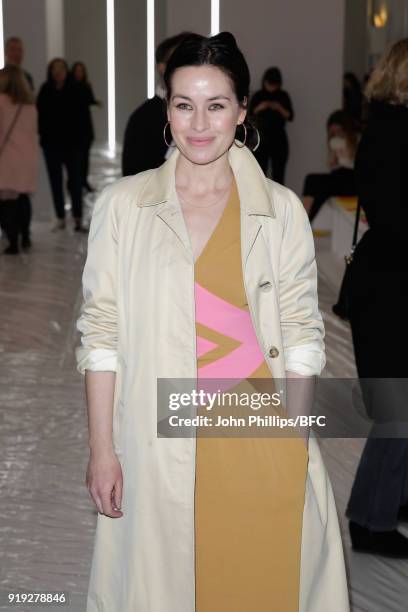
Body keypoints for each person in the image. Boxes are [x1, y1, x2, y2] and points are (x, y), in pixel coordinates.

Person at [76, 32, 349, 612]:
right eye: (184, 104)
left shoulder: (280, 212)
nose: (199, 123)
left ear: (243, 111)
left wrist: (295, 439)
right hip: (157, 451)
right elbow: (101, 335)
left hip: (259, 444)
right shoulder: (124, 208)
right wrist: (103, 449)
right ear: (165, 107)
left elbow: (302, 332)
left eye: (217, 104)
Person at [345, 39, 408, 558]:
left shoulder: (381, 127)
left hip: (383, 281)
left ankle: (390, 501)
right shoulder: (395, 132)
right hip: (391, 286)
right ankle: (370, 520)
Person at [121, 32, 192, 176]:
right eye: (182, 59)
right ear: (162, 68)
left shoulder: (215, 113)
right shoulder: (143, 118)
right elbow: (134, 183)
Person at [37, 58, 87, 232]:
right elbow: (40, 117)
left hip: (72, 145)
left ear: (67, 71)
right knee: (55, 181)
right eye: (54, 69)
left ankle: (77, 217)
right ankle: (60, 217)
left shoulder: (76, 89)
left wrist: (81, 142)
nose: (58, 72)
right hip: (51, 145)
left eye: (61, 68)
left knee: (75, 181)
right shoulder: (45, 90)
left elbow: (81, 117)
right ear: (50, 72)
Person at [0, 65, 38, 254]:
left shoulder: (1, 101)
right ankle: (26, 236)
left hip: (8, 158)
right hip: (27, 158)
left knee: (7, 202)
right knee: (23, 198)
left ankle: (13, 241)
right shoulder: (30, 104)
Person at [302, 110, 359, 223]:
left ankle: (304, 223)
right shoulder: (334, 143)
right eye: (332, 133)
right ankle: (305, 220)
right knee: (315, 183)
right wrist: (334, 157)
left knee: (315, 182)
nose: (335, 136)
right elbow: (333, 166)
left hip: (353, 179)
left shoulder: (356, 141)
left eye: (339, 132)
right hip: (340, 177)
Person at [249, 66, 294, 184]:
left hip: (279, 139)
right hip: (262, 138)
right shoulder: (258, 95)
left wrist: (278, 107)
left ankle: (279, 201)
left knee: (278, 175)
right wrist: (261, 107)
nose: (271, 87)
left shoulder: (283, 95)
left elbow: (290, 116)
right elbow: (250, 115)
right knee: (260, 173)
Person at [72, 61, 100, 192]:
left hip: (85, 127)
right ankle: (76, 181)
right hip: (75, 128)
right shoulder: (70, 87)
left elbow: (90, 100)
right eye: (77, 70)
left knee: (85, 157)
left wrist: (96, 102)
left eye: (81, 71)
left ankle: (83, 180)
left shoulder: (86, 86)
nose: (79, 73)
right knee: (76, 158)